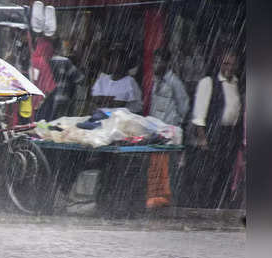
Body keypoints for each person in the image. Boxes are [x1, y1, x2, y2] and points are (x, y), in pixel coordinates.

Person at [185, 50, 243, 208]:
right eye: (226, 64)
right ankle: (206, 206)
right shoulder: (208, 83)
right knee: (210, 174)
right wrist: (203, 138)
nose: (229, 68)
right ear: (220, 64)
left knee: (226, 173)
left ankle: (220, 205)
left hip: (230, 136)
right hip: (214, 135)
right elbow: (199, 114)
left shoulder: (237, 84)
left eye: (232, 64)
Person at [146, 48, 190, 208]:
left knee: (166, 167)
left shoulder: (174, 82)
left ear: (167, 63)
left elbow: (184, 106)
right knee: (155, 165)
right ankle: (155, 198)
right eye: (155, 61)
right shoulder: (156, 80)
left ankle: (165, 200)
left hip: (169, 133)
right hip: (156, 131)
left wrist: (175, 124)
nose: (156, 65)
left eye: (159, 61)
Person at [90, 47, 143, 114]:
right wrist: (110, 100)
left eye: (113, 60)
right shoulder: (102, 79)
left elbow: (119, 105)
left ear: (123, 63)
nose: (109, 63)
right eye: (109, 60)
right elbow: (94, 100)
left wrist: (104, 100)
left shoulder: (130, 82)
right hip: (100, 119)